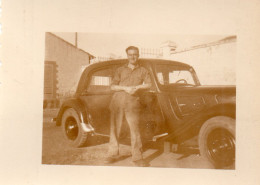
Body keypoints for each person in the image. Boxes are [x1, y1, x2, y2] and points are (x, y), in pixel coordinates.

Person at [105, 46, 151, 167]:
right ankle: (112, 154)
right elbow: (112, 86)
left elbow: (149, 84)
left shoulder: (143, 70)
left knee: (135, 130)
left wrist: (138, 87)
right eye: (130, 54)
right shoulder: (120, 70)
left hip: (133, 103)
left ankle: (137, 157)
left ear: (138, 55)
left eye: (135, 54)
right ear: (127, 56)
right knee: (115, 129)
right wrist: (125, 88)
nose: (132, 57)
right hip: (117, 102)